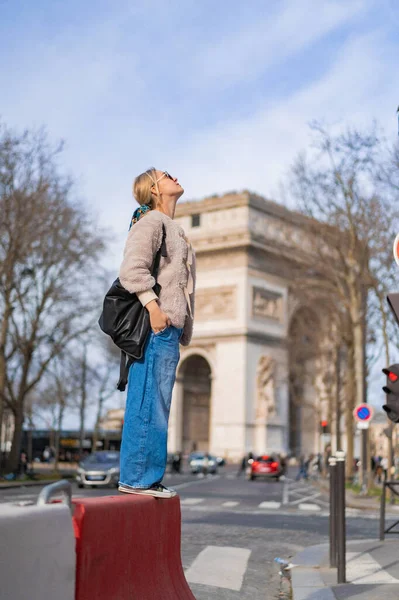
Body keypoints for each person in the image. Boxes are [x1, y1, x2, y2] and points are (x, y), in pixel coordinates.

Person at [118, 168, 196, 499]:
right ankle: (137, 479)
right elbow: (131, 270)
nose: (176, 176)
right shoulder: (151, 222)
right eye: (167, 175)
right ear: (153, 188)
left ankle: (147, 477)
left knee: (158, 403)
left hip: (169, 328)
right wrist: (154, 308)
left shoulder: (171, 227)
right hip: (157, 325)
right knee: (148, 399)